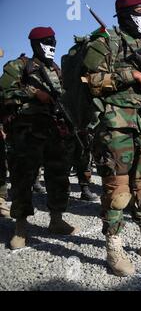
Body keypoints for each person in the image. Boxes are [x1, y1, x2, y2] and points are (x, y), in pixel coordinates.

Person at [83, 0, 141, 277]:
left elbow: (140, 95)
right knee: (118, 193)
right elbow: (92, 81)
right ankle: (115, 249)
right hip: (115, 129)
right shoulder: (103, 43)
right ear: (123, 15)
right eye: (139, 12)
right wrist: (132, 76)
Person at [0, 27, 79, 249]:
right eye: (46, 41)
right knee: (23, 178)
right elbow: (4, 93)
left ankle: (56, 220)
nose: (51, 45)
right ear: (35, 44)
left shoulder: (56, 70)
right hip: (27, 131)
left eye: (53, 41)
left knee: (58, 176)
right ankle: (21, 228)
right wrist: (35, 94)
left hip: (55, 131)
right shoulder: (18, 66)